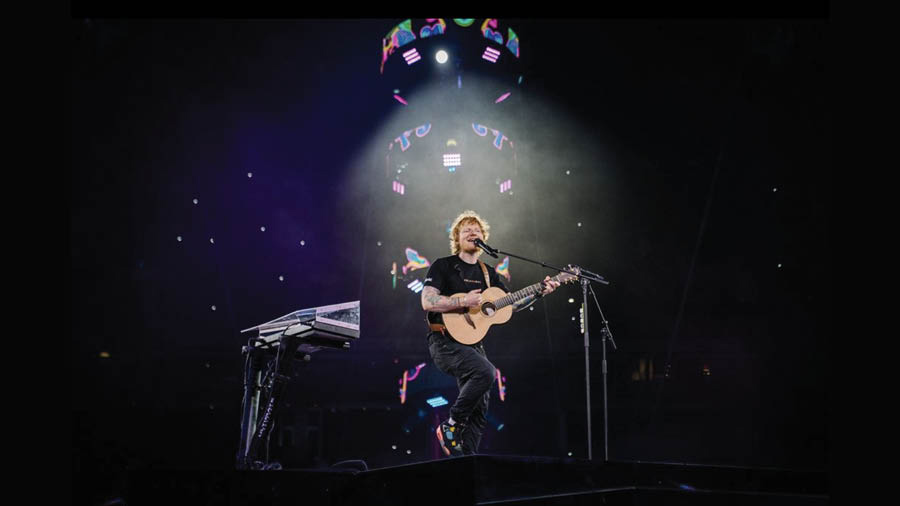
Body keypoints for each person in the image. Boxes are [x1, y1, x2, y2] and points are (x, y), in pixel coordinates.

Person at [420, 210, 559, 456]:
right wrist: (463, 300)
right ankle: (451, 425)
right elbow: (428, 301)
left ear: (483, 237)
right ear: (457, 238)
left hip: (473, 343)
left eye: (477, 230)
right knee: (485, 372)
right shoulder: (443, 266)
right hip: (444, 340)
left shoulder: (489, 274)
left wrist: (539, 291)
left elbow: (510, 304)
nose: (473, 232)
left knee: (480, 405)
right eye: (467, 230)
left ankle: (468, 460)